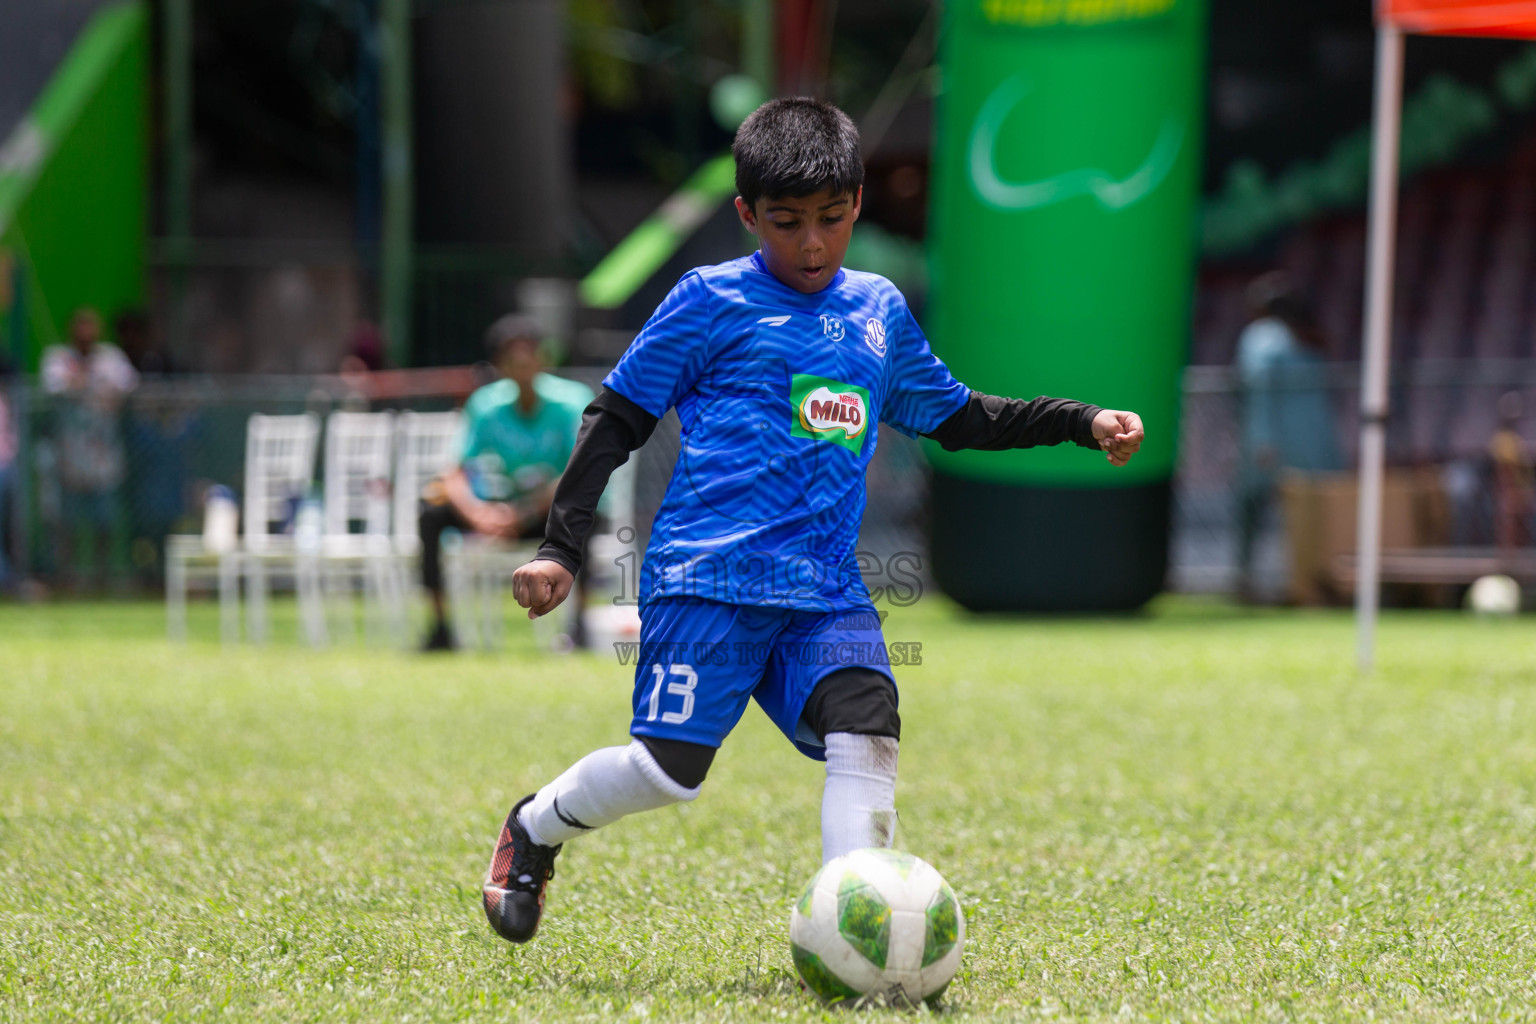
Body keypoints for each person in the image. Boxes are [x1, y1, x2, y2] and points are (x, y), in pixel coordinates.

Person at [479, 98, 1145, 944]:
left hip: (825, 590)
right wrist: (559, 550)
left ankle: (857, 931)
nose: (813, 245)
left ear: (858, 203)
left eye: (831, 220)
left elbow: (960, 418)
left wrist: (1077, 420)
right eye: (787, 223)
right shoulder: (708, 301)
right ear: (747, 215)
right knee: (669, 772)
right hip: (707, 578)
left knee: (867, 724)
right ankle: (534, 827)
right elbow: (614, 420)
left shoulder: (877, 311)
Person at [417, 315, 592, 650]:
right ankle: (440, 627)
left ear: (544, 360)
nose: (522, 366)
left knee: (587, 515)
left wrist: (521, 512)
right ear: (499, 365)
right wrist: (478, 514)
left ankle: (578, 628)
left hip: (548, 514)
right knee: (430, 513)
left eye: (529, 357)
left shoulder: (571, 401)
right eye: (513, 359)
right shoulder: (485, 404)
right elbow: (453, 473)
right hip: (501, 513)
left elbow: (577, 473)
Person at [1233, 272, 1342, 600]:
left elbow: (1259, 388)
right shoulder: (1307, 338)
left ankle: (1248, 579)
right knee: (1304, 516)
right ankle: (1307, 580)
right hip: (1315, 442)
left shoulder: (1262, 337)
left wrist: (1263, 439)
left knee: (1253, 508)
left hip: (1271, 443)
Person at [41, 307, 138, 588]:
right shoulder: (59, 357)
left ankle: (102, 574)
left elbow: (128, 385)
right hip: (69, 454)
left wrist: (99, 388)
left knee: (104, 519)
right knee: (67, 520)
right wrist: (79, 380)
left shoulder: (110, 358)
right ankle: (67, 575)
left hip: (103, 454)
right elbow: (53, 386)